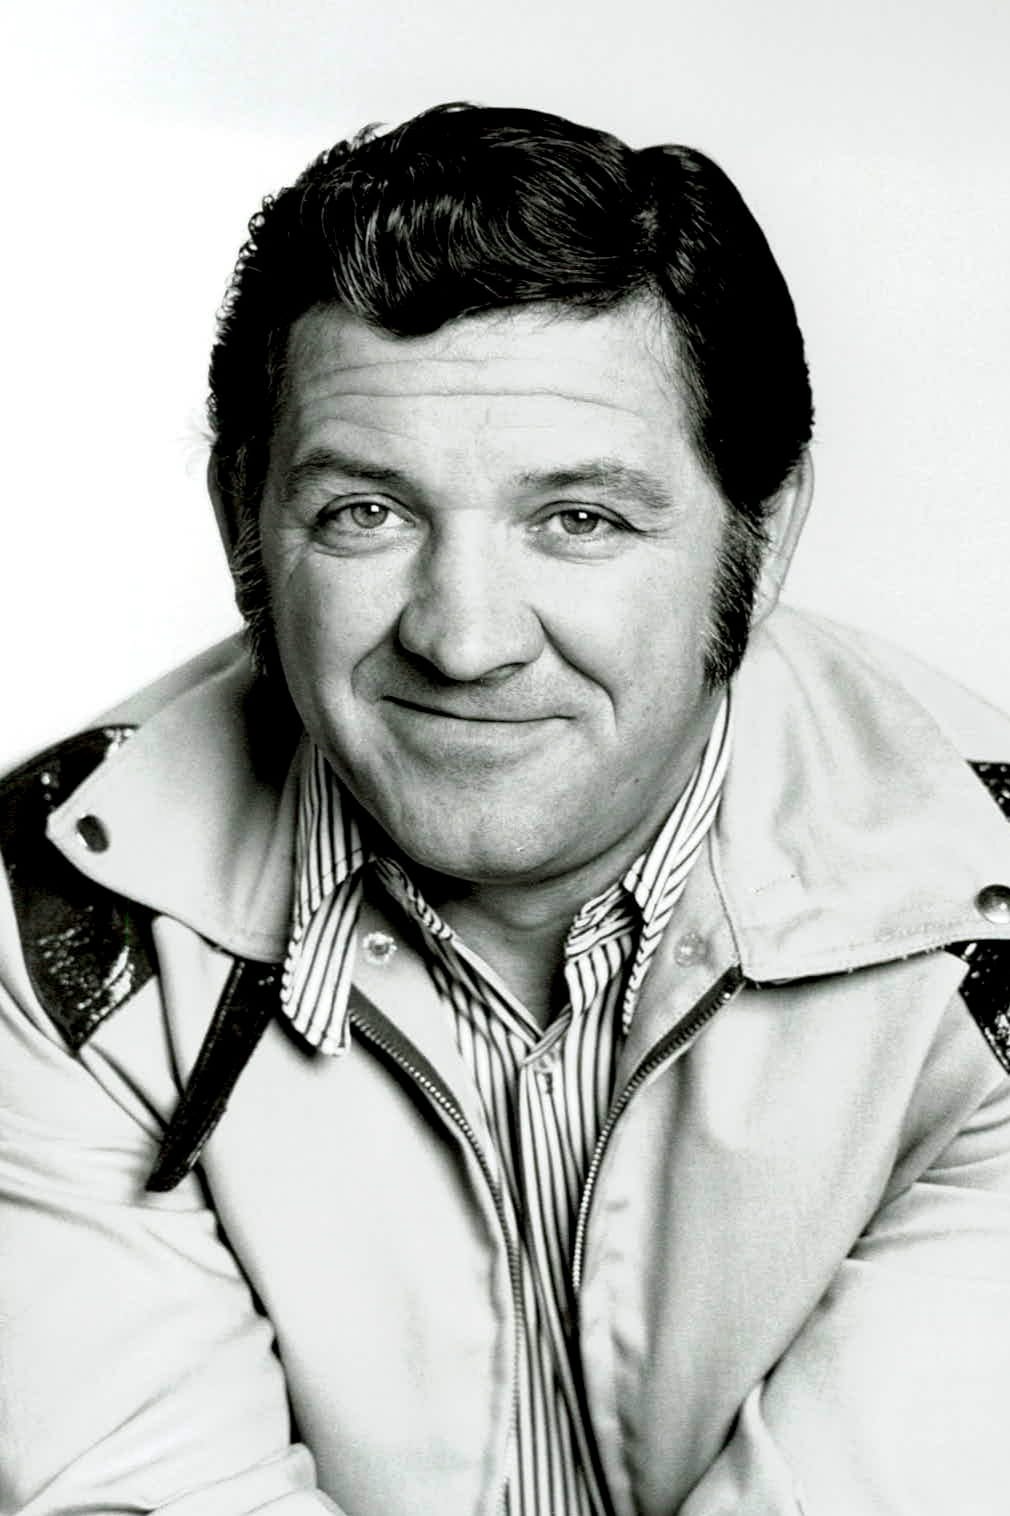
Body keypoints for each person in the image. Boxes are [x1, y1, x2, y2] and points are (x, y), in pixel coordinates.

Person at [1, 102, 1009, 1516]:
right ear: (243, 522)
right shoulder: (59, 916)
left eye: (579, 519)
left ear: (762, 533)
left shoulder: (984, 930)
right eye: (367, 513)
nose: (464, 640)